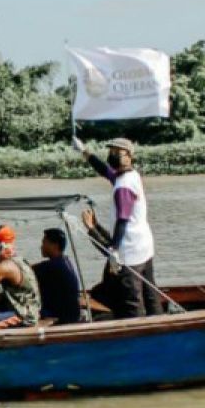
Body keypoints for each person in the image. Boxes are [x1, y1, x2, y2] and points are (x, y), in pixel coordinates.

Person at [73, 136, 162, 317]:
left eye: (117, 153)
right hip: (144, 245)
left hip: (130, 251)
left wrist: (114, 249)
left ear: (129, 155)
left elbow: (123, 219)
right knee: (150, 292)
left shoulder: (124, 186)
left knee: (132, 299)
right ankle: (159, 320)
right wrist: (85, 152)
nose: (112, 155)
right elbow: (105, 171)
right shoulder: (130, 175)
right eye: (111, 152)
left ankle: (140, 333)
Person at [32, 228, 83, 324]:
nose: (41, 246)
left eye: (44, 243)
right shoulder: (64, 261)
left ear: (55, 245)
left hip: (60, 317)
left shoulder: (53, 266)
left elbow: (26, 271)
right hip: (70, 314)